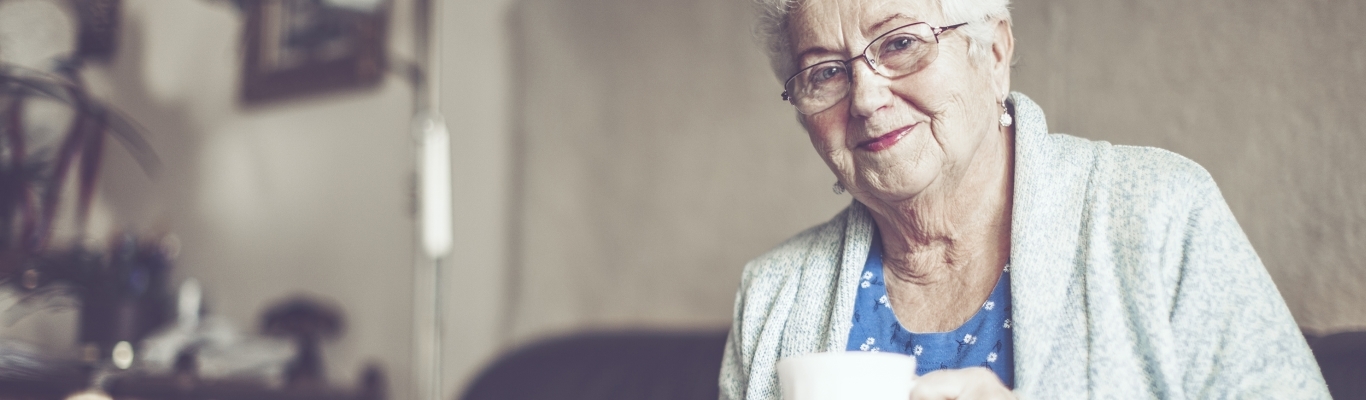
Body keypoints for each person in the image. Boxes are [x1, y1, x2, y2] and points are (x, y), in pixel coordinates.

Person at [718, 0, 1330, 398]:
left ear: (995, 53)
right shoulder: (774, 293)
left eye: (901, 43)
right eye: (824, 71)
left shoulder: (1158, 214)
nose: (866, 98)